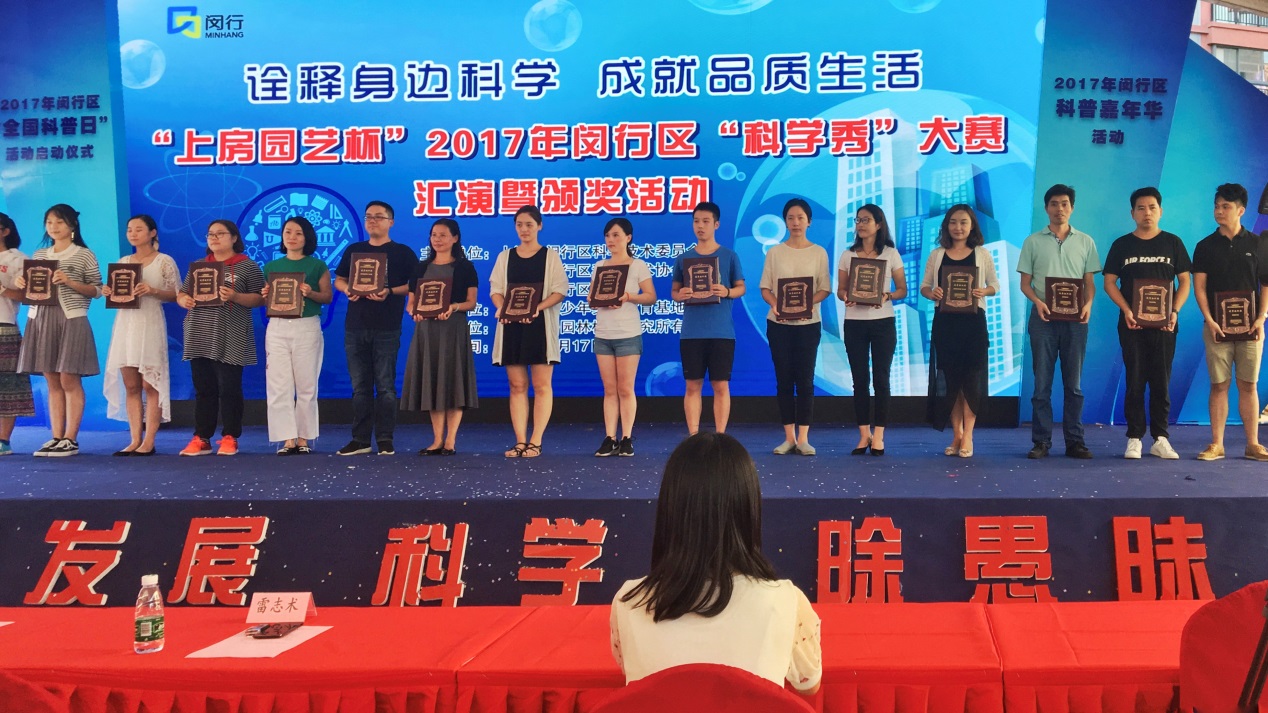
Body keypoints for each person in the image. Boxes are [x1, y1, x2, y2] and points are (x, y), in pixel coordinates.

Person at [609, 432, 821, 695]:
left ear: (670, 509)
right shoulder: (785, 600)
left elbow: (635, 679)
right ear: (748, 508)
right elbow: (808, 685)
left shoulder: (628, 601)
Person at [1102, 187, 1192, 460]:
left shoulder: (1173, 243)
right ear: (1132, 213)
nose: (1147, 213)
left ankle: (1161, 438)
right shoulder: (1122, 245)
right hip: (1132, 325)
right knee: (1135, 380)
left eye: (1152, 207)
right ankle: (1134, 438)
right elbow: (1109, 283)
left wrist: (1174, 311)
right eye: (1141, 208)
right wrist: (1127, 310)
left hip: (1165, 325)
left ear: (1160, 211)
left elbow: (1185, 281)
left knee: (1161, 382)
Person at [1017, 185, 1101, 460]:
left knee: (1073, 385)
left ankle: (1075, 442)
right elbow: (1025, 284)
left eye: (1065, 203)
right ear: (1046, 208)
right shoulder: (1032, 242)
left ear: (1072, 208)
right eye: (1054, 203)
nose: (1059, 208)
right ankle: (1041, 442)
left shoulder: (1086, 241)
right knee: (1041, 385)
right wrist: (1038, 302)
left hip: (1076, 320)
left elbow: (1089, 283)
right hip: (1043, 318)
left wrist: (1087, 304)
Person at [15, 204, 102, 457]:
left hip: (71, 318)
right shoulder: (40, 254)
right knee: (51, 379)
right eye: (49, 222)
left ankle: (70, 438)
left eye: (59, 222)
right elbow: (34, 288)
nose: (53, 227)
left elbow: (97, 289)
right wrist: (23, 283)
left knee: (68, 378)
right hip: (41, 318)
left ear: (72, 225)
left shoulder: (84, 254)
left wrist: (69, 282)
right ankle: (56, 436)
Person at [333, 201, 417, 456]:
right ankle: (360, 439)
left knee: (385, 386)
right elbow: (339, 280)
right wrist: (347, 289)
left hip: (387, 326)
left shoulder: (402, 252)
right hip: (355, 326)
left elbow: (415, 285)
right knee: (360, 387)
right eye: (368, 216)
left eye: (379, 217)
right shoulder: (354, 250)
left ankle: (385, 439)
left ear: (391, 222)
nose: (372, 221)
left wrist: (389, 291)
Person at [1191, 183, 1268, 461]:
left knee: (1249, 385)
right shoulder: (1204, 246)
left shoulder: (1258, 244)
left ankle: (1253, 444)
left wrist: (1261, 318)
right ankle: (1216, 444)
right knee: (1219, 385)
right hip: (1216, 328)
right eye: (1216, 206)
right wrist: (1210, 320)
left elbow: (1265, 284)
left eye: (1225, 206)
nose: (1219, 211)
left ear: (1241, 210)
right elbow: (1200, 288)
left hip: (1251, 328)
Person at [175, 220, 265, 456]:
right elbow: (182, 293)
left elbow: (260, 298)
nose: (214, 238)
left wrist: (235, 296)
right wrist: (183, 300)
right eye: (210, 234)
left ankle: (230, 436)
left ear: (234, 238)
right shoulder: (199, 266)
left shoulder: (247, 266)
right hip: (199, 332)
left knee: (229, 388)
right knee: (203, 388)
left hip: (231, 333)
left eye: (220, 234)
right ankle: (201, 438)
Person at [920, 205, 1000, 458]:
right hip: (945, 324)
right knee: (951, 381)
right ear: (946, 226)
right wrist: (932, 293)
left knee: (971, 380)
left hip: (973, 324)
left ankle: (968, 436)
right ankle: (956, 433)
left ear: (972, 225)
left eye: (964, 222)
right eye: (953, 222)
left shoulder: (982, 254)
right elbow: (924, 287)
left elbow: (994, 285)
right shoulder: (937, 254)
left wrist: (983, 291)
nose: (958, 227)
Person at [489, 205, 568, 458]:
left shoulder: (550, 256)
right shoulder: (505, 257)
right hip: (511, 328)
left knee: (542, 385)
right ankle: (520, 441)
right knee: (517, 385)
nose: (524, 229)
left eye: (529, 225)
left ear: (539, 226)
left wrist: (536, 308)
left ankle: (536, 441)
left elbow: (560, 291)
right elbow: (496, 290)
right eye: (519, 225)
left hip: (540, 327)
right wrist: (503, 308)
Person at [102, 215, 181, 456]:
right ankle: (134, 439)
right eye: (129, 230)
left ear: (152, 233)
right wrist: (109, 291)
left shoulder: (164, 261)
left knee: (150, 383)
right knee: (131, 384)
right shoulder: (124, 262)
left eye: (139, 229)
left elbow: (176, 294)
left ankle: (149, 440)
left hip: (150, 322)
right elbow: (118, 292)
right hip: (126, 324)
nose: (133, 234)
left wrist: (152, 290)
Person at [403, 217, 479, 456]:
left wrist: (453, 307)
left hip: (453, 329)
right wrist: (414, 312)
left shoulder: (465, 267)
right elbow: (411, 303)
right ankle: (436, 440)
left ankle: (450, 441)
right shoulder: (420, 267)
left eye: (443, 235)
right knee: (432, 382)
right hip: (427, 331)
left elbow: (471, 302)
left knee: (453, 382)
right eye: (434, 235)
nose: (437, 239)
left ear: (455, 238)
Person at [759, 198, 830, 456]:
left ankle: (804, 438)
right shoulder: (775, 252)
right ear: (785, 222)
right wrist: (776, 304)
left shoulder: (819, 252)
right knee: (784, 380)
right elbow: (765, 287)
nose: (795, 222)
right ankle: (788, 437)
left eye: (800, 217)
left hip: (808, 324)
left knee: (806, 380)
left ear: (809, 221)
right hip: (778, 324)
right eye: (790, 218)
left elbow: (824, 288)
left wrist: (807, 304)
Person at [837, 204, 906, 457]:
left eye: (866, 220)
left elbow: (902, 290)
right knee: (860, 380)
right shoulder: (848, 255)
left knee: (881, 379)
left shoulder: (891, 254)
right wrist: (846, 296)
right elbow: (841, 289)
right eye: (858, 220)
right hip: (854, 322)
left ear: (879, 224)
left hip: (882, 322)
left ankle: (879, 435)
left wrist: (887, 295)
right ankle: (863, 434)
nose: (861, 224)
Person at [671, 201, 745, 435]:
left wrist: (727, 291)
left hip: (721, 332)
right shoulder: (684, 258)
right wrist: (681, 295)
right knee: (692, 385)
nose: (700, 226)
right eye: (696, 221)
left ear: (716, 224)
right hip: (691, 332)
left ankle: (721, 436)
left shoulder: (729, 256)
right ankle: (693, 436)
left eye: (705, 221)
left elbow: (741, 288)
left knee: (720, 385)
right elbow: (674, 292)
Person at [260, 217, 331, 455]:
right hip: (278, 327)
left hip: (306, 326)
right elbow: (265, 300)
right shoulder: (271, 267)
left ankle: (304, 438)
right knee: (278, 385)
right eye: (288, 232)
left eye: (298, 233)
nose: (292, 237)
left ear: (307, 237)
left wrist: (310, 293)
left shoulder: (317, 265)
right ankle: (286, 439)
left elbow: (327, 296)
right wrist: (266, 294)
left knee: (306, 385)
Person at [592, 218, 656, 457]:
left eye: (616, 235)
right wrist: (597, 299)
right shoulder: (600, 266)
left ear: (628, 238)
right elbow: (591, 298)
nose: (611, 240)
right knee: (609, 390)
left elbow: (650, 296)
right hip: (603, 334)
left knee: (625, 389)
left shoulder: (637, 265)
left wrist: (629, 297)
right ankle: (610, 438)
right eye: (608, 235)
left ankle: (627, 437)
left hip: (628, 334)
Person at [0, 213, 34, 456]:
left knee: (8, 386)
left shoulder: (18, 259)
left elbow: (28, 295)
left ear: (5, 231)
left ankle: (3, 440)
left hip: (5, 325)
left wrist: (2, 289)